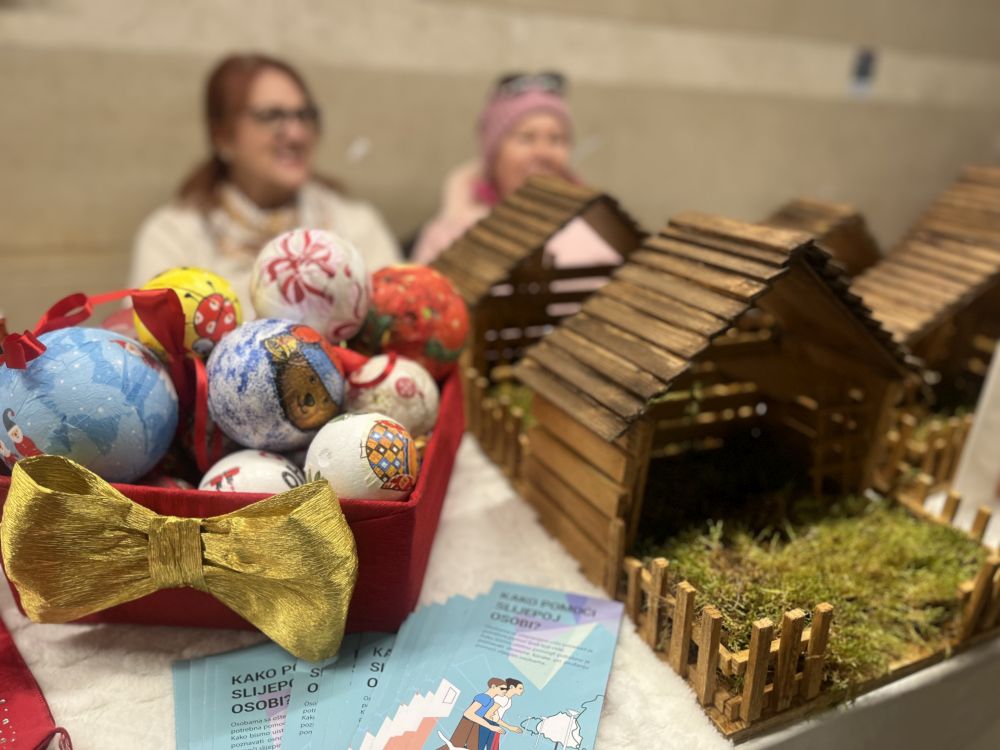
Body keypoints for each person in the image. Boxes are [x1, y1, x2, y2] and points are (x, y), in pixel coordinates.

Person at [129, 53, 401, 313]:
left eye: (304, 115)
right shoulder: (175, 236)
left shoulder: (355, 227)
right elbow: (150, 338)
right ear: (222, 136)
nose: (295, 133)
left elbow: (393, 325)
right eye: (271, 116)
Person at [412, 72, 619, 269]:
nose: (543, 152)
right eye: (526, 138)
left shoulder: (600, 233)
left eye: (556, 139)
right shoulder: (448, 238)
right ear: (494, 153)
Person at [437, 677, 506, 750]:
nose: (504, 691)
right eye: (502, 688)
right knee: (456, 745)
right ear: (493, 686)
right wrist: (490, 726)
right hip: (468, 724)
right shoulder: (484, 698)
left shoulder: (491, 701)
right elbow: (468, 713)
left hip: (476, 725)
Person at [485, 678, 524, 748]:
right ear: (512, 687)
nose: (522, 690)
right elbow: (490, 714)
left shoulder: (508, 700)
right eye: (520, 688)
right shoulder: (502, 698)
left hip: (494, 724)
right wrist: (510, 727)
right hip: (490, 723)